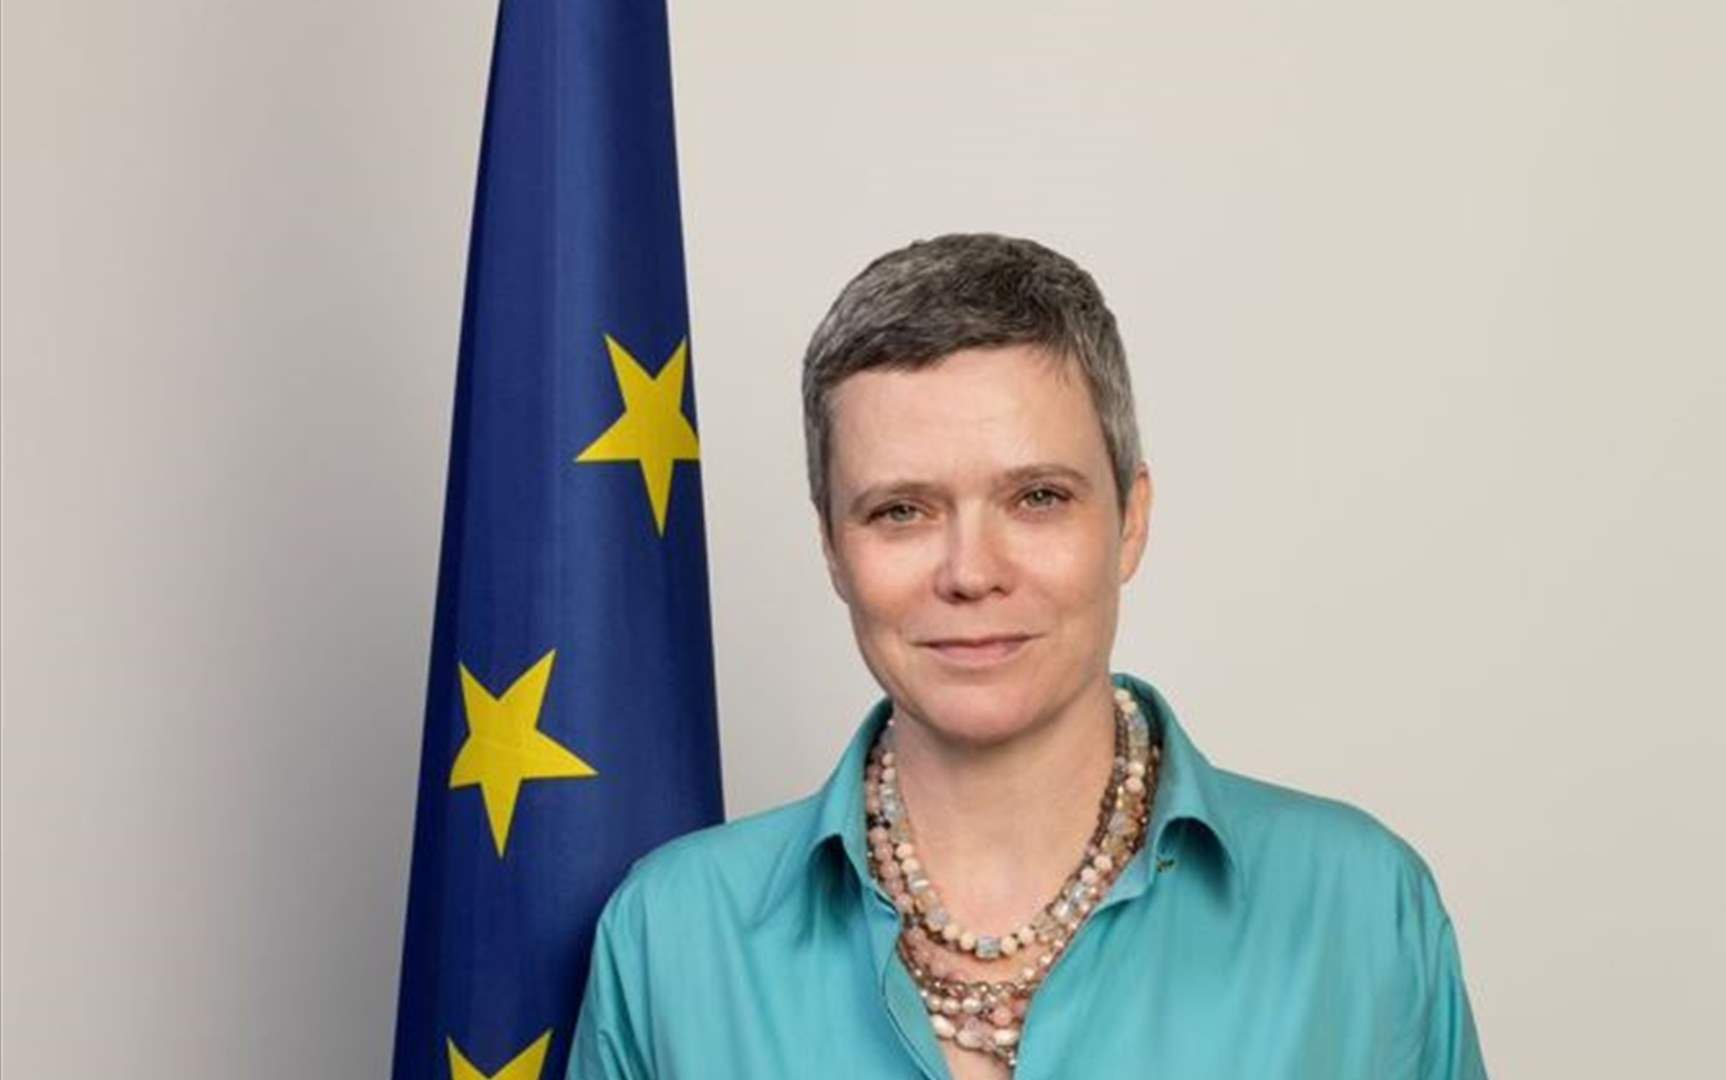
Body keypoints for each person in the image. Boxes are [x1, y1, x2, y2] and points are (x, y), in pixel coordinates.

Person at [566, 234, 1488, 1079]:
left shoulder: (1360, 911)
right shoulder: (670, 939)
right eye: (900, 511)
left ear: (1131, 520)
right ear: (833, 550)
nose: (971, 572)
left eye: (1038, 498)